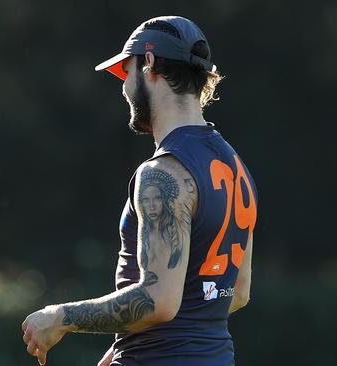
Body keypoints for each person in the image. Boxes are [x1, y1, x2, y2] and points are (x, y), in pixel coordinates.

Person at [22, 16, 257, 366]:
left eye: (125, 73)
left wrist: (60, 317)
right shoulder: (237, 167)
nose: (124, 88)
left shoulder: (163, 173)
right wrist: (124, 343)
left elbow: (159, 300)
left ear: (148, 64)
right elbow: (235, 292)